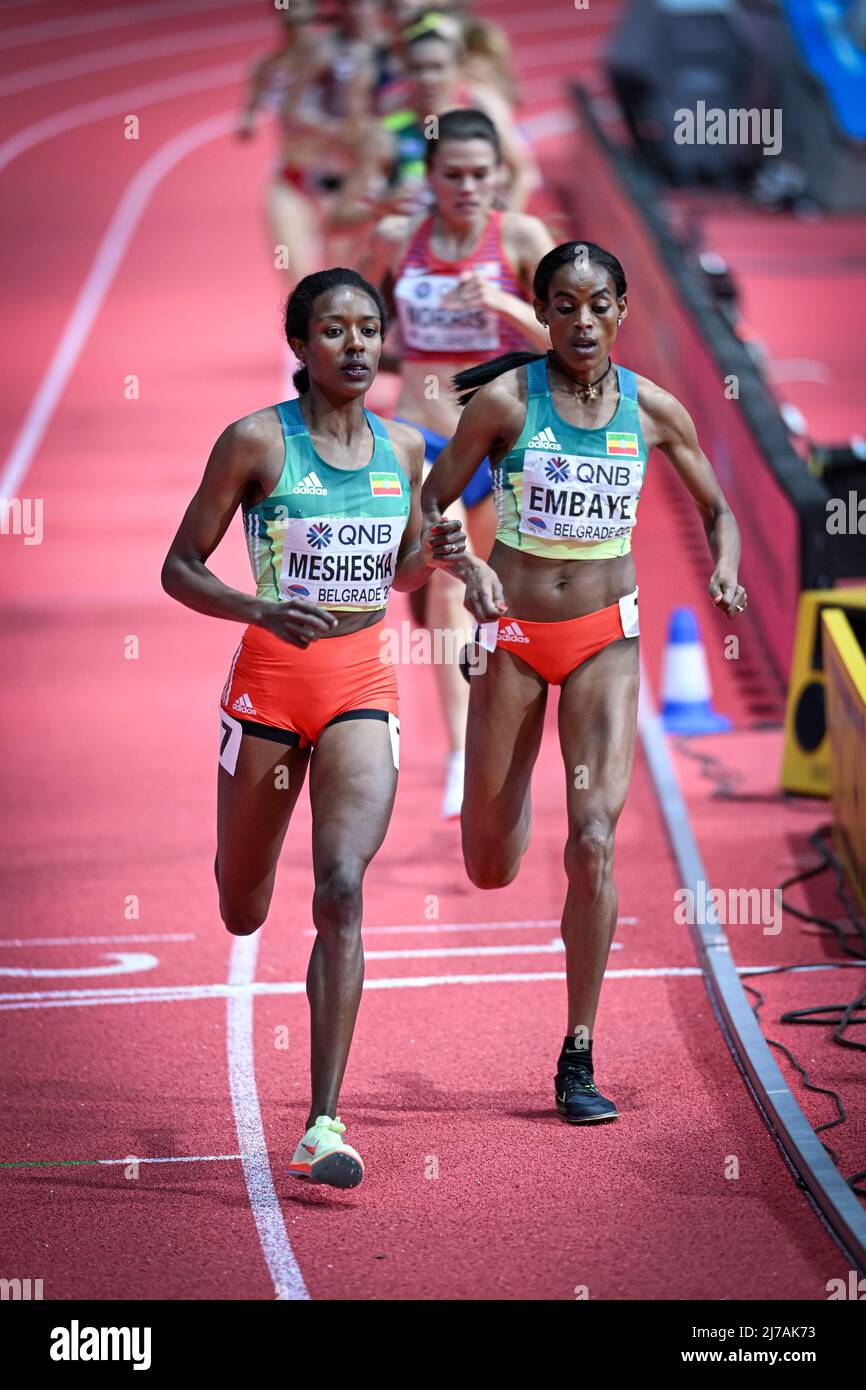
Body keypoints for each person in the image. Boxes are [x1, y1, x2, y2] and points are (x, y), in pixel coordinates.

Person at [421, 241, 748, 1122]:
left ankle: (577, 1055)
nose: (582, 322)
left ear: (622, 310)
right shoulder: (504, 403)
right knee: (490, 864)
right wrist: (463, 567)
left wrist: (723, 570)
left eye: (598, 305)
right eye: (563, 306)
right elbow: (429, 505)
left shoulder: (654, 413)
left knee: (594, 840)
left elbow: (720, 511)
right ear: (544, 314)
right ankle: (510, 787)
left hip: (607, 638)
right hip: (517, 635)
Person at [161, 269, 467, 1186]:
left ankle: (322, 1121)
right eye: (333, 329)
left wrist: (438, 552)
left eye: (368, 328)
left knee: (340, 889)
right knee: (242, 904)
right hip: (266, 688)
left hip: (361, 684)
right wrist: (256, 606)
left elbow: (405, 574)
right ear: (301, 346)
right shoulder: (256, 441)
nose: (356, 345)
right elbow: (179, 567)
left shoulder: (405, 448)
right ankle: (241, 878)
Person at [361, 107, 553, 816]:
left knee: (508, 597)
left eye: (481, 174)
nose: (468, 187)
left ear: (501, 175)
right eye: (454, 175)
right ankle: (460, 754)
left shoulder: (522, 237)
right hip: (426, 438)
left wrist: (503, 299)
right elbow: (353, 316)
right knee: (446, 589)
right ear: (430, 175)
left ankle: (509, 738)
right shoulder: (398, 238)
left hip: (504, 439)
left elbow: (581, 331)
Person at [329, 20, 539, 240]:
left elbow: (523, 172)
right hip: (413, 261)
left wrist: (502, 232)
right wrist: (379, 209)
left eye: (437, 67)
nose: (427, 78)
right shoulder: (387, 133)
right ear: (404, 72)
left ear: (458, 69)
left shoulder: (478, 124)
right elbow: (340, 219)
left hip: (474, 255)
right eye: (417, 69)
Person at [236, 1, 381, 287]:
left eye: (302, 12)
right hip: (293, 179)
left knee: (343, 284)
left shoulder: (346, 57)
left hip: (342, 183)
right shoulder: (269, 63)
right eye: (287, 12)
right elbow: (254, 115)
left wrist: (348, 132)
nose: (295, 19)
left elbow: (366, 118)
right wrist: (250, 117)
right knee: (299, 288)